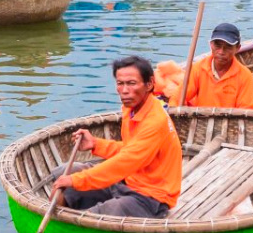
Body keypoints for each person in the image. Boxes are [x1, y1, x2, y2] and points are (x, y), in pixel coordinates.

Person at [52, 55, 182, 218]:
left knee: (107, 210)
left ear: (149, 84)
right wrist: (96, 144)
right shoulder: (131, 108)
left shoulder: (155, 121)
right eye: (120, 83)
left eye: (132, 83)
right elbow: (130, 148)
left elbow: (126, 161)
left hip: (152, 196)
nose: (125, 90)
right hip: (127, 181)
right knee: (65, 171)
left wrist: (76, 180)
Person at [182, 22, 253, 108]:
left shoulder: (245, 76)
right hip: (200, 120)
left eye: (228, 46)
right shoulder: (198, 69)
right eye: (217, 45)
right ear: (211, 44)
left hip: (231, 121)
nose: (221, 52)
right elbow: (178, 99)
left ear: (237, 48)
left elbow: (246, 112)